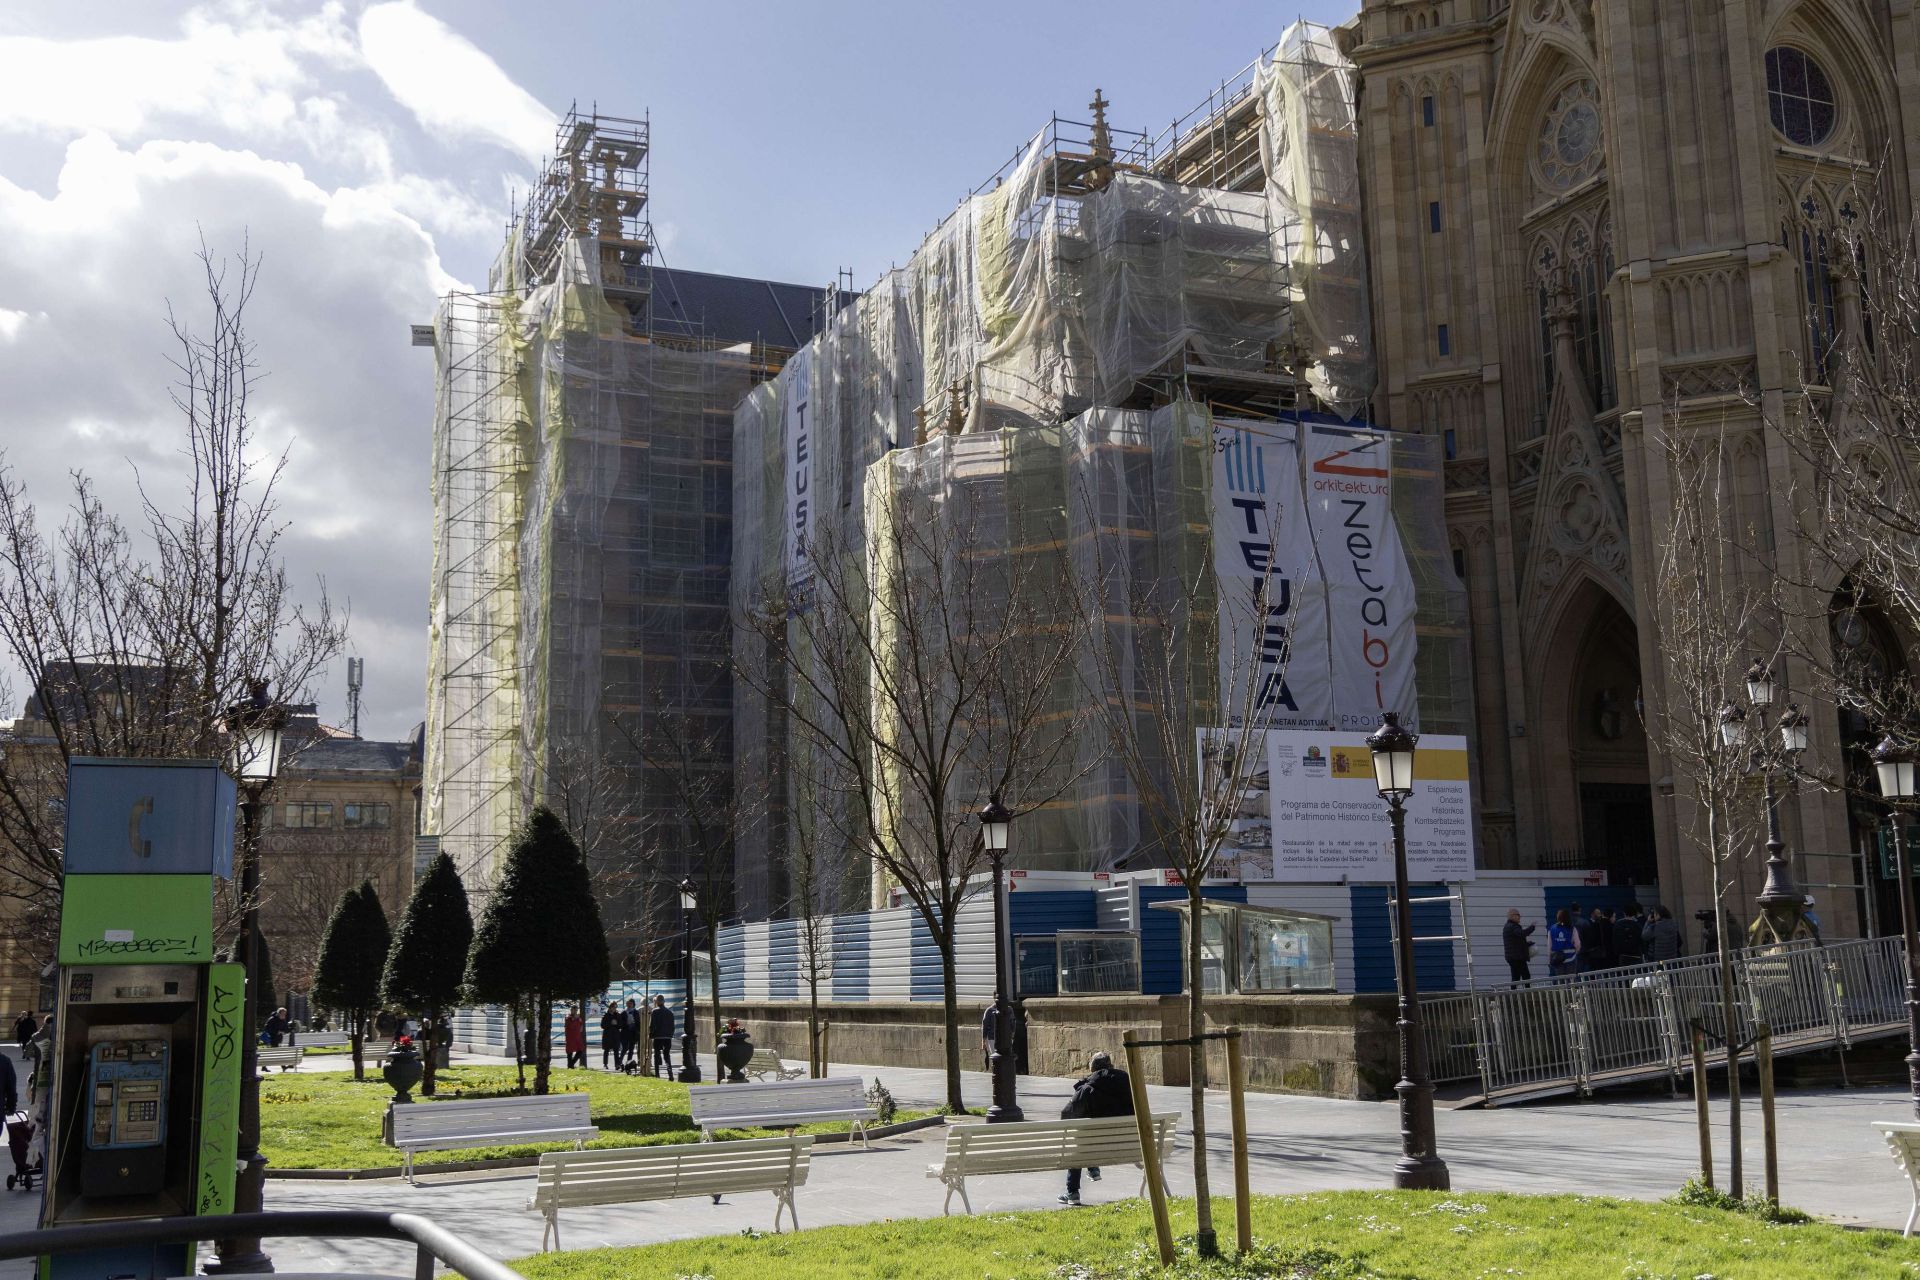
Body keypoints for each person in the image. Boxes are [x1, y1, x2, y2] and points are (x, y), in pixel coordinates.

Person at [1058, 1051, 1133, 1206]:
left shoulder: (1087, 1089)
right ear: (1111, 1066)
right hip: (1126, 1145)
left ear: (1092, 1069)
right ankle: (1092, 1168)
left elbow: (1066, 1115)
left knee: (1080, 1142)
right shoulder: (1127, 1085)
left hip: (1094, 1146)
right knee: (1091, 1135)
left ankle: (1073, 1192)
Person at [1502, 908, 1536, 985]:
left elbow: (1516, 941)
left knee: (1515, 977)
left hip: (1512, 957)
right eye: (1518, 915)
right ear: (1512, 916)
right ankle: (1527, 991)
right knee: (1526, 976)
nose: (1519, 917)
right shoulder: (1513, 926)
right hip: (1517, 957)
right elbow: (1522, 933)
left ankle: (1514, 992)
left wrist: (1527, 944)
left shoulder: (1507, 926)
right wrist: (1532, 927)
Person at [649, 995, 676, 1080]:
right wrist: (670, 1035)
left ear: (656, 1002)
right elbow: (672, 1026)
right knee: (667, 1056)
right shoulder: (670, 1012)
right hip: (667, 1037)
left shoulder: (655, 1011)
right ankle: (670, 1074)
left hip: (657, 1036)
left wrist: (651, 1034)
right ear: (664, 1002)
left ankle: (657, 1074)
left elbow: (652, 1025)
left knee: (656, 1055)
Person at [1613, 903, 1646, 968]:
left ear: (1624, 913)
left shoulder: (1617, 925)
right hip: (1636, 955)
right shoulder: (1637, 925)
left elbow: (1615, 941)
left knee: (1625, 973)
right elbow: (1642, 940)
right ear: (1634, 913)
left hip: (1623, 956)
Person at [1546, 908, 1576, 977]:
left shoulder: (1552, 928)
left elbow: (1549, 945)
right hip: (1570, 957)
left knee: (1560, 979)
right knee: (1571, 979)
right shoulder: (1572, 928)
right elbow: (1577, 944)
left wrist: (1549, 959)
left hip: (1557, 958)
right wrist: (1575, 951)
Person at [620, 999, 642, 1073]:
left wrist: (636, 1027)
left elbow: (638, 1022)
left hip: (633, 1034)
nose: (629, 1005)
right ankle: (619, 1062)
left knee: (631, 1050)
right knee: (625, 1048)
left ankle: (628, 1064)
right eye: (628, 1003)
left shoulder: (636, 1012)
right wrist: (627, 1023)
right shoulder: (623, 1012)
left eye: (630, 1003)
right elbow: (621, 1023)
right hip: (625, 1033)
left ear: (633, 1004)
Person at [599, 1001, 621, 1070]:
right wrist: (610, 1023)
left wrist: (617, 1023)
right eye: (613, 1007)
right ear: (610, 1007)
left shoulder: (617, 1015)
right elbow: (602, 1025)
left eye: (616, 1007)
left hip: (615, 1035)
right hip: (607, 1035)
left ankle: (617, 1065)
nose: (615, 1008)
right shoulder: (605, 1015)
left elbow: (621, 1025)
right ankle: (605, 1064)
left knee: (616, 1050)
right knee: (606, 1050)